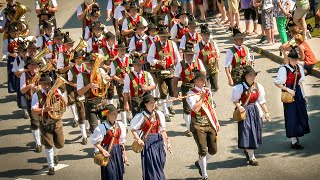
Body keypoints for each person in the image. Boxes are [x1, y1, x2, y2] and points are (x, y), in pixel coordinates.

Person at [231, 65, 270, 166]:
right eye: (250, 75)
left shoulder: (258, 87)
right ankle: (252, 157)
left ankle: (248, 151)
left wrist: (266, 112)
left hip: (255, 111)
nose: (253, 77)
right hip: (244, 112)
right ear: (245, 76)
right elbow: (235, 100)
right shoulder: (239, 87)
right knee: (247, 132)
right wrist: (239, 106)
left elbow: (261, 101)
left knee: (255, 132)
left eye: (254, 75)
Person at [186, 70, 220, 180]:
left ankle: (199, 162)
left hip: (209, 122)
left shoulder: (207, 91)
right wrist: (202, 97)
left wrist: (216, 121)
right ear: (195, 81)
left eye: (204, 79)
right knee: (203, 150)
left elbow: (211, 107)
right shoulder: (190, 94)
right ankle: (204, 175)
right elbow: (195, 109)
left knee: (213, 150)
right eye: (201, 79)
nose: (204, 81)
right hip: (198, 124)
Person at [274, 48, 310, 149]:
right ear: (289, 59)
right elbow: (277, 83)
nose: (295, 61)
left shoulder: (299, 67)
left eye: (296, 59)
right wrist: (288, 90)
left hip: (298, 92)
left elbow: (300, 83)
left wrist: (304, 96)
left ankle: (297, 134)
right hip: (289, 93)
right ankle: (294, 141)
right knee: (291, 116)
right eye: (293, 59)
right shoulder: (283, 69)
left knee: (300, 114)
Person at [31, 73, 66, 175]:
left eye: (48, 83)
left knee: (60, 144)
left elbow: (63, 105)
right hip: (45, 122)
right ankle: (51, 166)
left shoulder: (57, 91)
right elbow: (34, 110)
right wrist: (45, 109)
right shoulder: (36, 95)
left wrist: (63, 101)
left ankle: (55, 154)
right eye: (44, 84)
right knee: (49, 145)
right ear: (41, 84)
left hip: (57, 121)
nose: (47, 86)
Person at [130, 94, 171, 180]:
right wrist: (138, 139)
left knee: (161, 161)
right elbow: (133, 129)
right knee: (152, 165)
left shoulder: (159, 114)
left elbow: (162, 130)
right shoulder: (141, 116)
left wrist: (168, 142)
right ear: (145, 104)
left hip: (158, 140)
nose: (153, 104)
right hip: (148, 142)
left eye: (154, 102)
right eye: (151, 102)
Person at [147, 25, 181, 122]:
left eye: (165, 36)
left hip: (170, 71)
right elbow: (149, 58)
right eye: (162, 36)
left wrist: (179, 68)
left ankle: (169, 105)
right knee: (163, 93)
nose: (164, 38)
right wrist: (157, 62)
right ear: (159, 36)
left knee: (172, 92)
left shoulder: (172, 44)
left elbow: (177, 57)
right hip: (160, 72)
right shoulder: (154, 45)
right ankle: (165, 112)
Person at [173, 42, 206, 137]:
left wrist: (205, 85)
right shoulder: (180, 64)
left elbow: (203, 73)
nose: (189, 56)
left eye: (191, 55)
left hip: (198, 87)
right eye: (187, 54)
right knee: (187, 109)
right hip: (186, 87)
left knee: (200, 105)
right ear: (184, 55)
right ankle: (189, 128)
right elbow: (175, 78)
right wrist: (175, 90)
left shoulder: (198, 62)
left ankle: (200, 124)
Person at [92, 104, 128, 180]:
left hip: (118, 151)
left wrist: (124, 155)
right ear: (107, 114)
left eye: (116, 113)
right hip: (107, 152)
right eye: (113, 113)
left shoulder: (120, 125)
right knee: (110, 175)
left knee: (119, 174)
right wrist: (103, 150)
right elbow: (95, 142)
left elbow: (122, 142)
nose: (116, 115)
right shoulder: (101, 127)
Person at [77, 53, 109, 135]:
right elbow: (79, 92)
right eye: (88, 63)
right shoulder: (81, 75)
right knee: (94, 129)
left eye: (92, 62)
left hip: (103, 102)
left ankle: (105, 144)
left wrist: (107, 81)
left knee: (106, 124)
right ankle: (97, 147)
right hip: (91, 105)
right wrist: (89, 86)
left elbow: (106, 86)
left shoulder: (101, 71)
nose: (90, 64)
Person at [67, 51, 88, 145]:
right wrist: (76, 85)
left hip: (87, 92)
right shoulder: (71, 70)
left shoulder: (85, 67)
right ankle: (84, 136)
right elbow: (69, 81)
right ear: (75, 60)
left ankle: (88, 129)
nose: (79, 60)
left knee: (88, 110)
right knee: (81, 112)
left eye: (80, 58)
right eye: (77, 59)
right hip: (78, 93)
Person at [110, 41, 132, 127]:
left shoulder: (129, 59)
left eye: (123, 50)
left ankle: (128, 116)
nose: (122, 52)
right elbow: (112, 75)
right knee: (122, 101)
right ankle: (124, 124)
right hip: (121, 84)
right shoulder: (114, 62)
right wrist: (119, 80)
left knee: (130, 101)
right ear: (117, 51)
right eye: (120, 50)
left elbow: (133, 70)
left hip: (130, 84)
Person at [194, 24, 220, 92]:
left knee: (215, 87)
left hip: (213, 69)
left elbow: (218, 52)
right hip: (204, 70)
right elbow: (195, 58)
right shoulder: (198, 45)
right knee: (205, 88)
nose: (207, 37)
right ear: (201, 35)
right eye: (205, 35)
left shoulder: (213, 43)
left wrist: (217, 57)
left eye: (208, 35)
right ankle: (207, 100)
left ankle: (211, 99)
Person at [2, 23, 23, 93]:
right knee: (11, 73)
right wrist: (11, 54)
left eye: (14, 32)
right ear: (9, 33)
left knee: (19, 72)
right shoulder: (6, 41)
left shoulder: (20, 39)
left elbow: (24, 48)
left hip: (19, 58)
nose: (12, 33)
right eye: (11, 32)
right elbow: (4, 51)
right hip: (11, 58)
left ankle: (19, 88)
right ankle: (12, 88)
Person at [12, 41, 29, 119]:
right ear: (19, 52)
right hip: (21, 78)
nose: (24, 53)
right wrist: (21, 71)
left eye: (25, 51)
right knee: (22, 95)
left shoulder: (29, 58)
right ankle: (25, 111)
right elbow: (15, 71)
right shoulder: (17, 60)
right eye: (22, 52)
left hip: (29, 78)